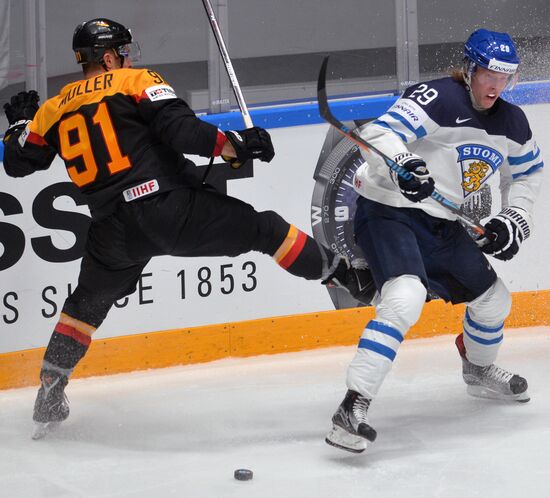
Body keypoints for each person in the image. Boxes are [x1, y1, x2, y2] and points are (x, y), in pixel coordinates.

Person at [2, 18, 375, 439]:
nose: (127, 58)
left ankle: (51, 386)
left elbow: (17, 162)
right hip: (167, 209)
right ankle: (348, 276)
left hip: (112, 230)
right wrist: (235, 144)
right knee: (267, 230)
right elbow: (180, 129)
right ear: (108, 57)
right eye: (122, 52)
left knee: (85, 306)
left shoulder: (54, 108)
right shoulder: (134, 81)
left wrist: (19, 126)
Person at [325, 29, 544, 454]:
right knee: (405, 297)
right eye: (488, 74)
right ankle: (351, 407)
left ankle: (478, 371)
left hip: (442, 224)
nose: (496, 86)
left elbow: (527, 174)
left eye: (506, 77)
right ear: (470, 69)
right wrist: (404, 163)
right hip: (389, 211)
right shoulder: (437, 97)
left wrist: (513, 218)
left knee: (495, 300)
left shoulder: (512, 122)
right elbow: (379, 133)